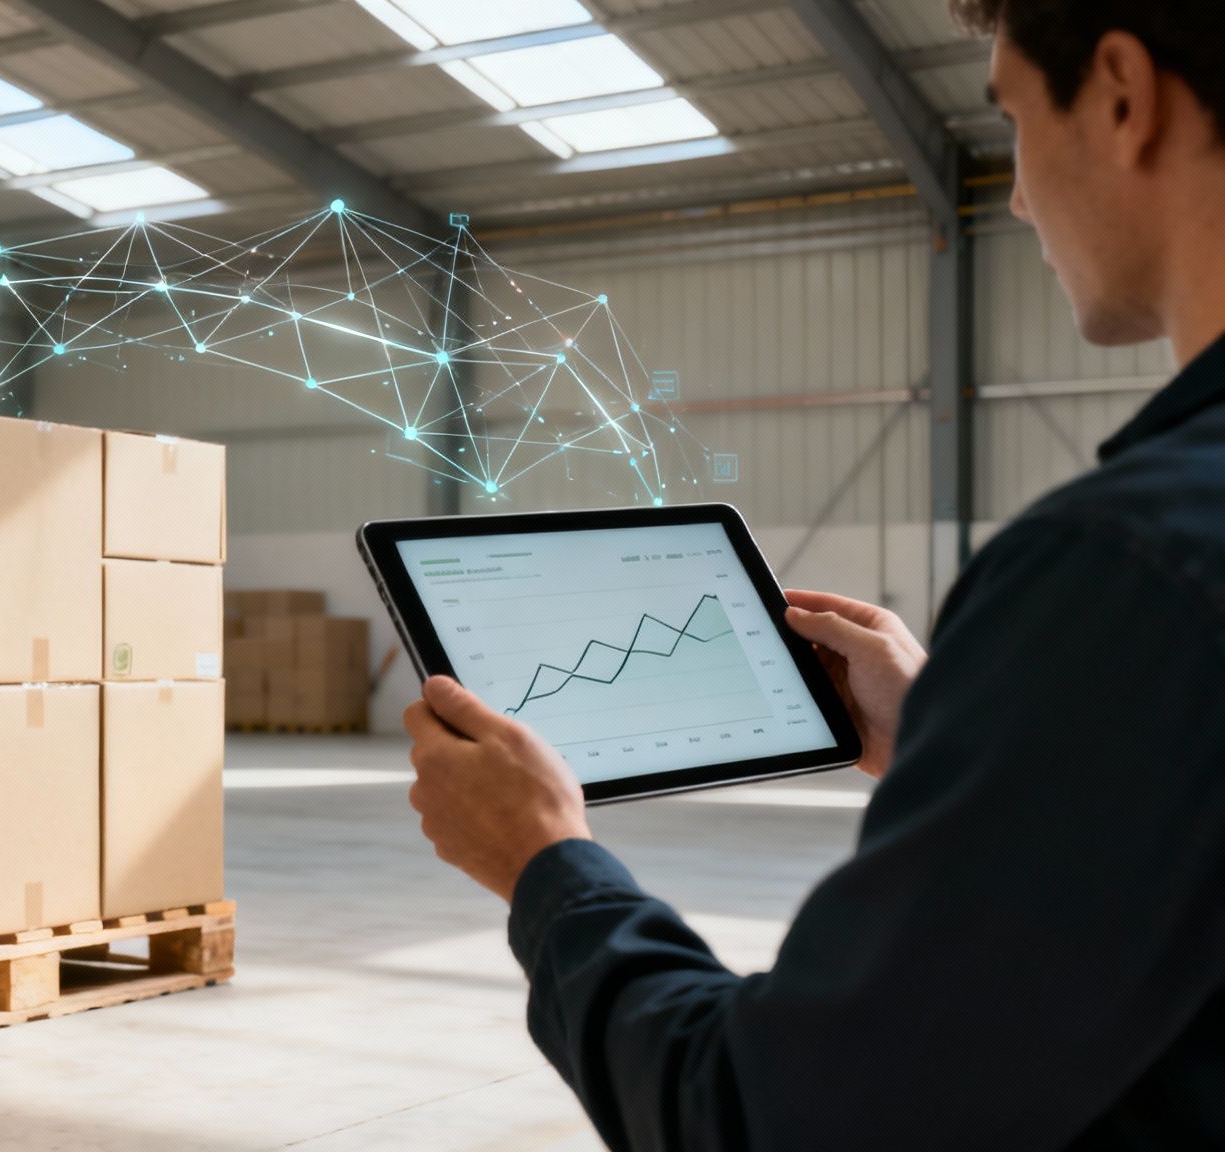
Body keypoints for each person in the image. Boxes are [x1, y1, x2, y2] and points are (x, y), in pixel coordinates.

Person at [401, 1, 1225, 1147]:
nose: (1021, 193)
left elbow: (768, 1115)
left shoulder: (1126, 566)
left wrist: (543, 862)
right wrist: (974, 734)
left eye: (1014, 121)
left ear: (1123, 98)